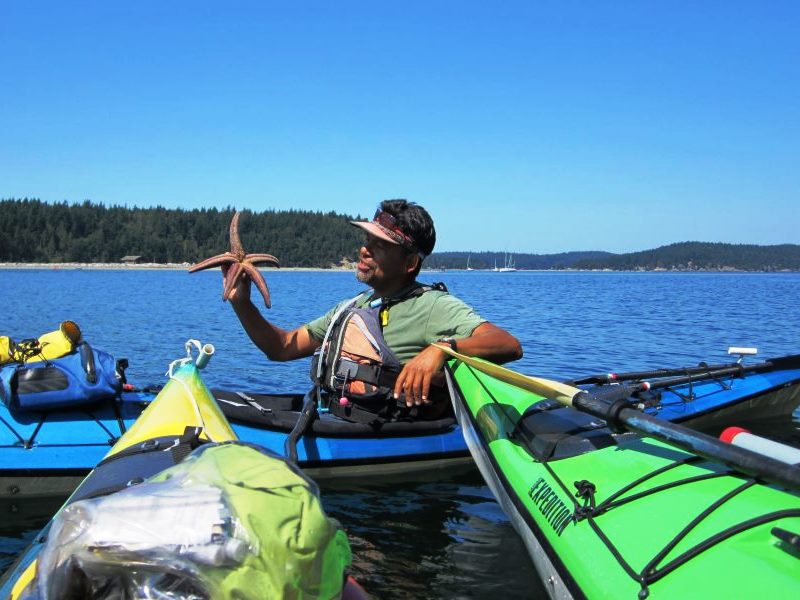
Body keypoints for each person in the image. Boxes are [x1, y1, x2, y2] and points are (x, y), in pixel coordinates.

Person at [226, 199, 522, 418]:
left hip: (387, 433)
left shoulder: (433, 306)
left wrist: (442, 349)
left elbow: (508, 344)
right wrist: (242, 303)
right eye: (367, 240)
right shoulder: (353, 307)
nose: (364, 249)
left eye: (379, 245)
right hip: (334, 417)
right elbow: (282, 348)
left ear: (409, 263)